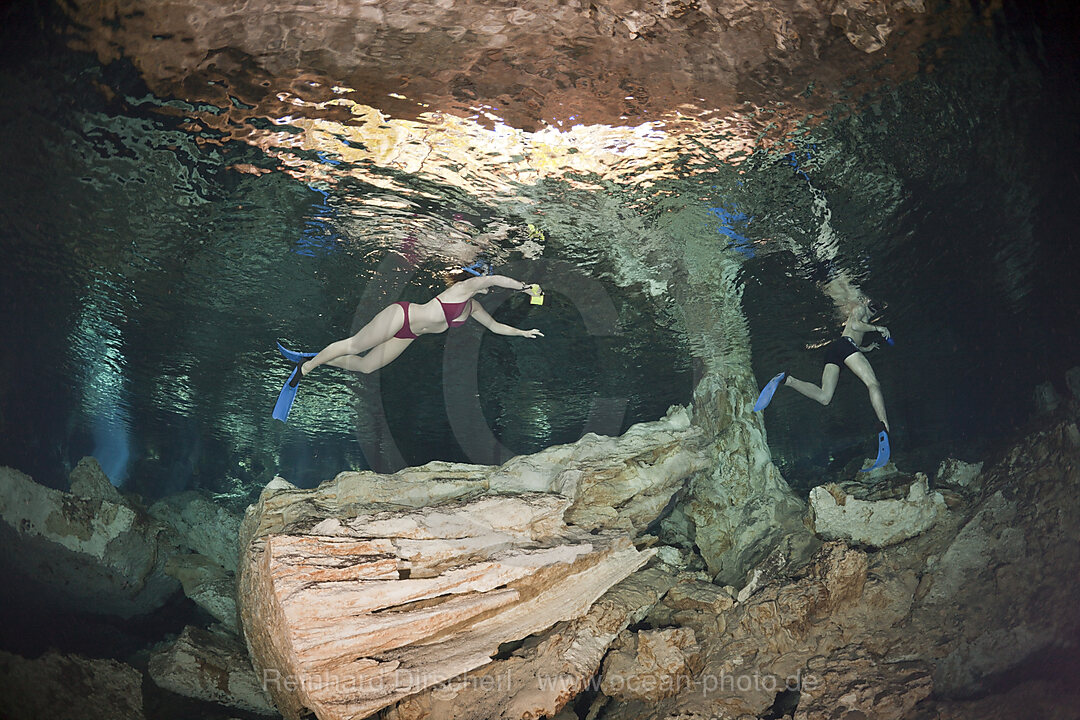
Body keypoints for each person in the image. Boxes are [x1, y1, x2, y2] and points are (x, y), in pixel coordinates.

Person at [272, 273, 544, 423]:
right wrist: (524, 287)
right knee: (354, 345)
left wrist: (524, 332)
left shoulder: (473, 308)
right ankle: (306, 368)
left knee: (367, 366)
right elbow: (492, 280)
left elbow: (495, 327)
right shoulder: (463, 289)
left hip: (409, 334)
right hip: (401, 316)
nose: (487, 289)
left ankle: (317, 359)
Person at [754, 296, 892, 468]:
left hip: (836, 350)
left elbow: (852, 335)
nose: (873, 311)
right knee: (873, 384)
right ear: (867, 302)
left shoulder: (863, 315)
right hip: (844, 347)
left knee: (825, 397)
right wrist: (878, 327)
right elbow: (855, 326)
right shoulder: (860, 308)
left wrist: (865, 348)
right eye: (874, 307)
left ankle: (787, 379)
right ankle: (884, 425)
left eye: (876, 310)